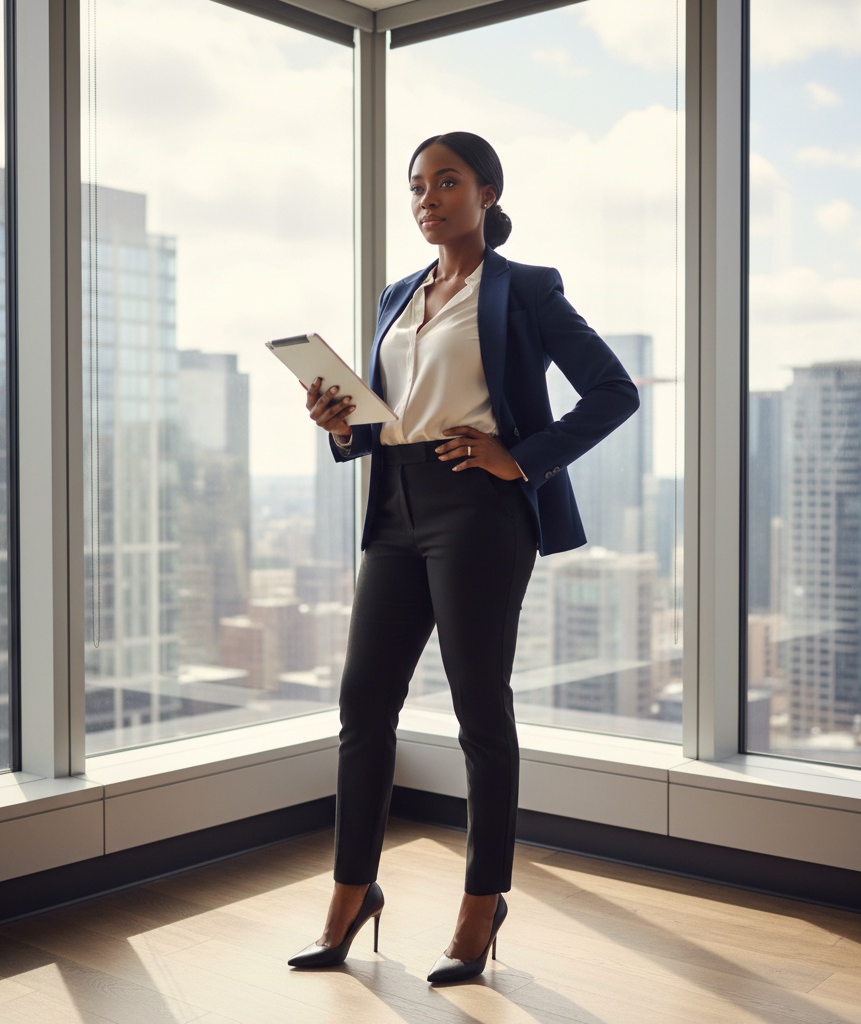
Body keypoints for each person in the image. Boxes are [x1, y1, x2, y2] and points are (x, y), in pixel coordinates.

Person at [288, 132, 639, 984]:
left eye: (446, 182)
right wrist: (343, 424)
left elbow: (614, 391)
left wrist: (518, 457)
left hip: (478, 509)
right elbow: (387, 417)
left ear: (487, 192)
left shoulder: (525, 290)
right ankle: (351, 894)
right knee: (363, 705)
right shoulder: (397, 296)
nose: (427, 199)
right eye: (416, 186)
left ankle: (481, 908)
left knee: (481, 710)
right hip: (397, 503)